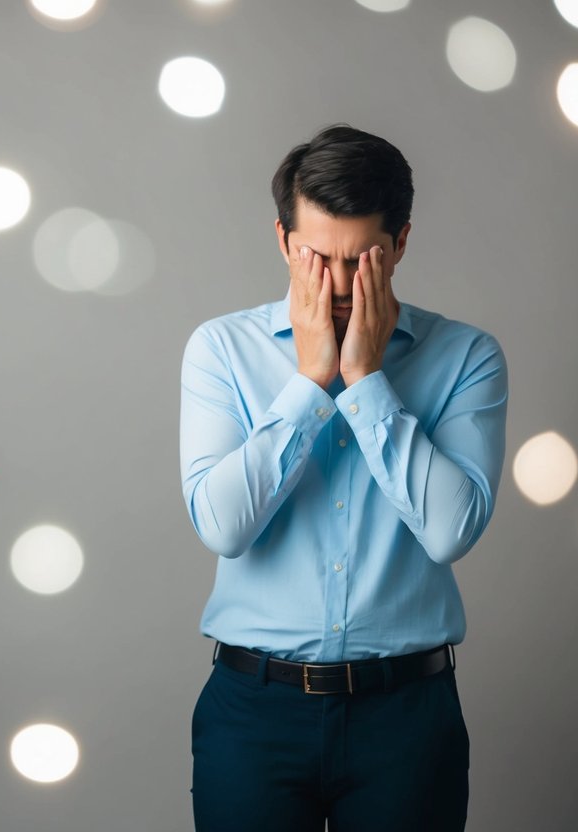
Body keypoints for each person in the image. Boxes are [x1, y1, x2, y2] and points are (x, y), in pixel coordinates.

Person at [179, 124, 507, 831]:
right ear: (281, 241)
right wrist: (308, 381)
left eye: (361, 260)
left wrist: (363, 380)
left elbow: (449, 532)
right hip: (252, 714)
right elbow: (222, 527)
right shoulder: (220, 350)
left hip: (407, 718)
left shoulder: (466, 357)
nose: (333, 283)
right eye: (314, 256)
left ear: (400, 246)